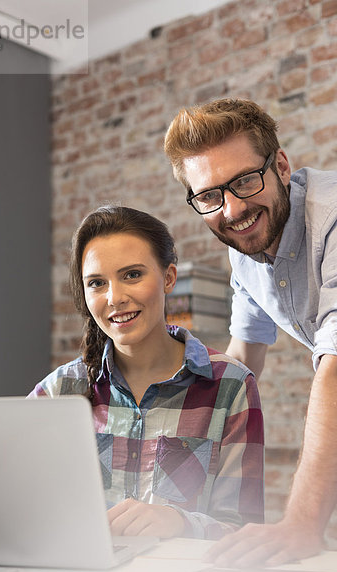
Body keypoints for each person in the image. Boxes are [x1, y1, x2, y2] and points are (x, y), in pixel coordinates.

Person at [164, 97, 337, 566]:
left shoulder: (333, 218)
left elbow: (336, 370)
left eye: (244, 180)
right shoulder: (244, 250)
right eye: (209, 196)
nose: (233, 208)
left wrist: (301, 522)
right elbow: (242, 362)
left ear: (281, 165)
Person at [29, 205, 264, 540]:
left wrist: (182, 523)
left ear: (168, 277)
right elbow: (15, 507)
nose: (115, 298)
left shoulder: (231, 386)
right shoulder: (58, 391)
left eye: (132, 275)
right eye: (97, 283)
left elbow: (245, 533)